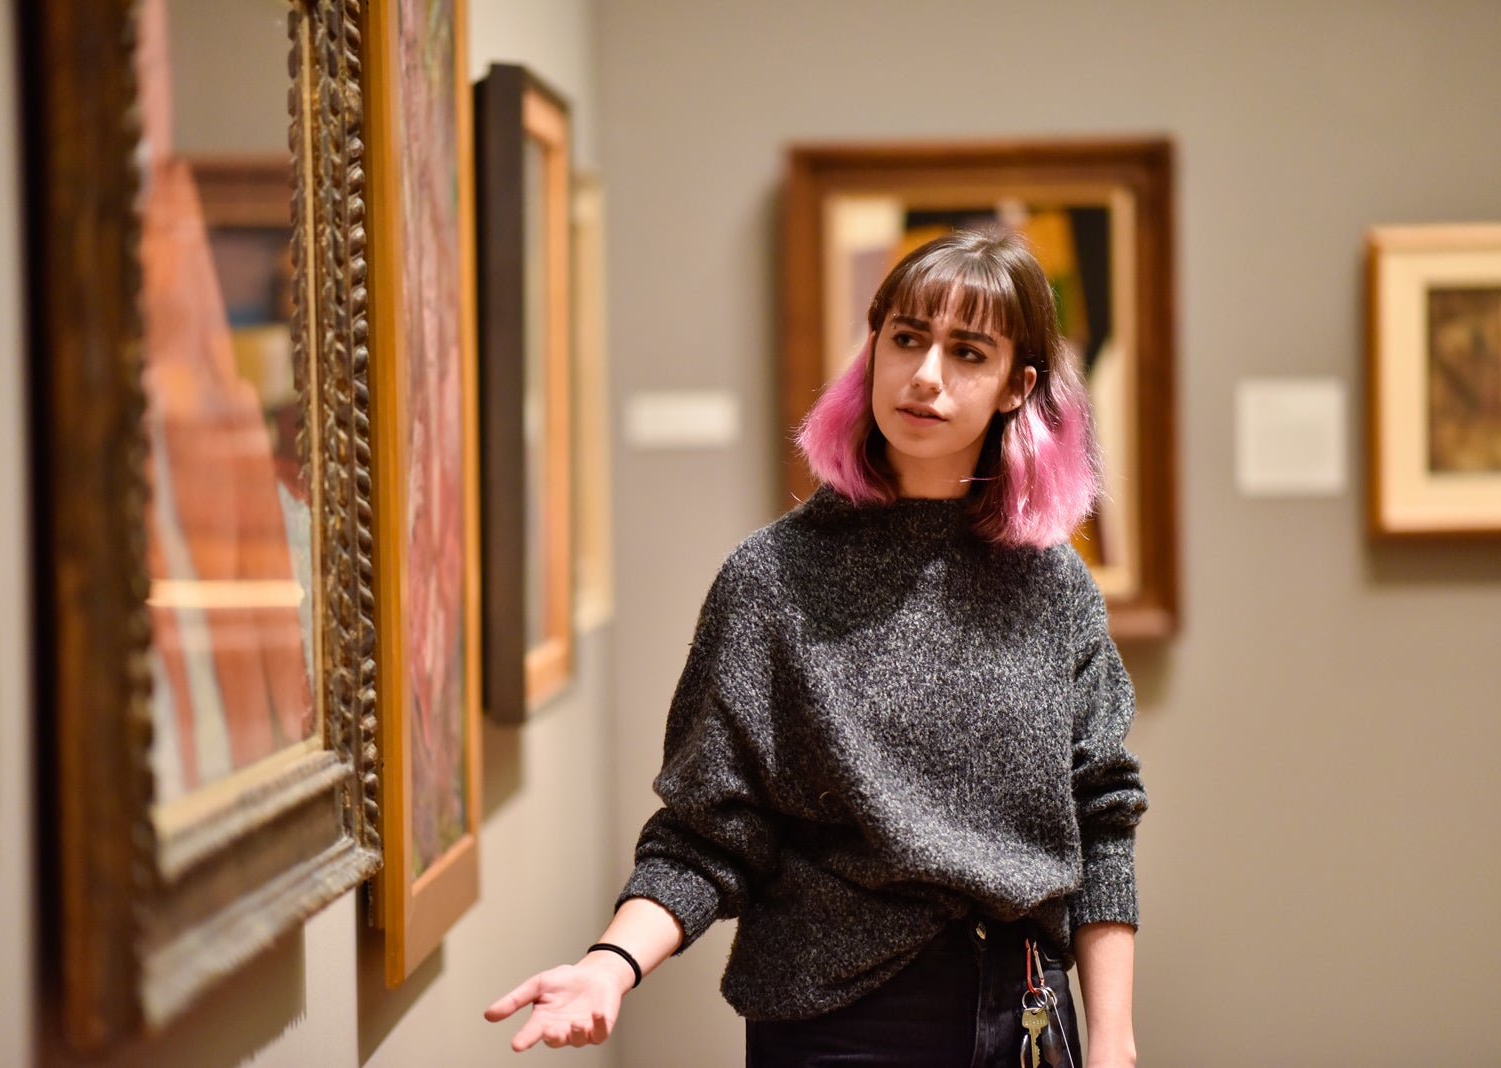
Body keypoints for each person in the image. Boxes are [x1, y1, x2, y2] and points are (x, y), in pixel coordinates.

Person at [486, 229, 1148, 1066]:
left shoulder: (1054, 590)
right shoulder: (772, 580)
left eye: (966, 352)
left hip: (1021, 1007)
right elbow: (708, 830)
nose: (926, 374)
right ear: (872, 350)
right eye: (906, 339)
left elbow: (1102, 821)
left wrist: (1114, 1044)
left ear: (1018, 386)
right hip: (838, 1023)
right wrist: (611, 966)